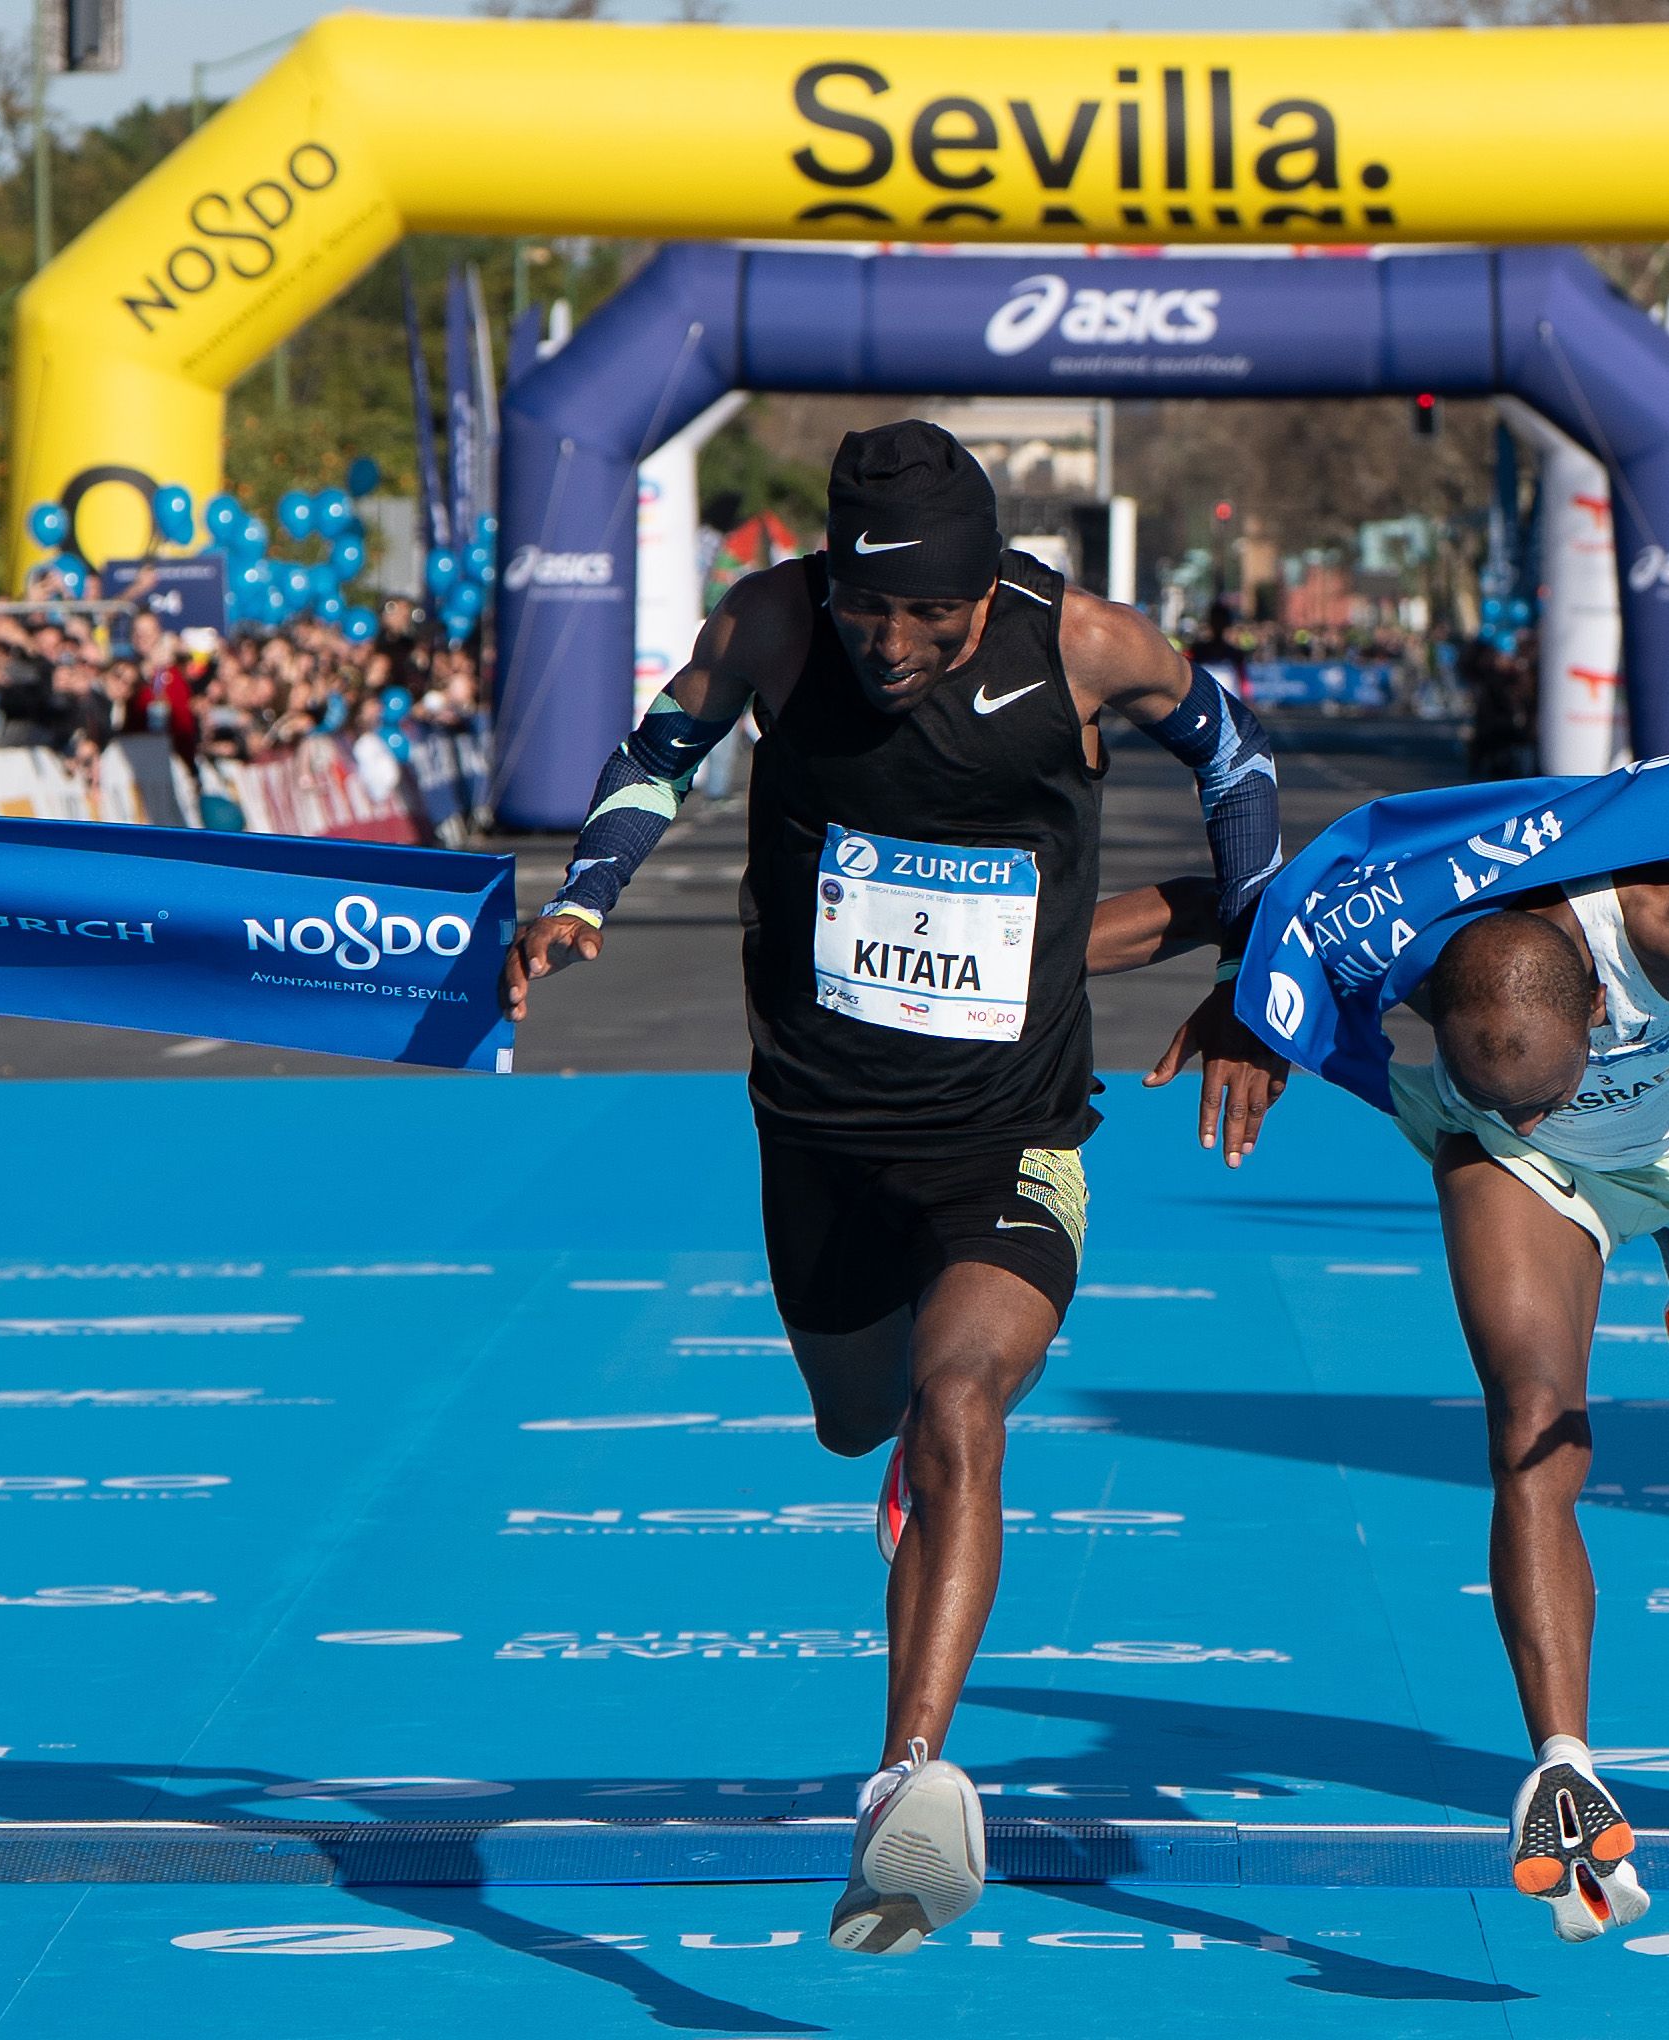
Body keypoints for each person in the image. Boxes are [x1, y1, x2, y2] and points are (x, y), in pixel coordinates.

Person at [500, 421, 1288, 1958]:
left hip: (1012, 1132)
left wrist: (1257, 967)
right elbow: (664, 744)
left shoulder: (1090, 644)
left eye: (930, 615)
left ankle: (910, 1783)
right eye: (872, 613)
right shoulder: (774, 625)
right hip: (816, 1129)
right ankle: (896, 1454)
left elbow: (1236, 756)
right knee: (862, 1412)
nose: (895, 644)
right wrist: (587, 892)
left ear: (984, 587)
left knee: (959, 1410)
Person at [1088, 862, 1669, 1941]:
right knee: (1530, 1427)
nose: (1537, 1096)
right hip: (1515, 1168)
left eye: (1547, 1082)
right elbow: (1232, 895)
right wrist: (1245, 992)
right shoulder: (1404, 938)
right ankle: (1566, 1764)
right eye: (1497, 1077)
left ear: (1598, 1005)